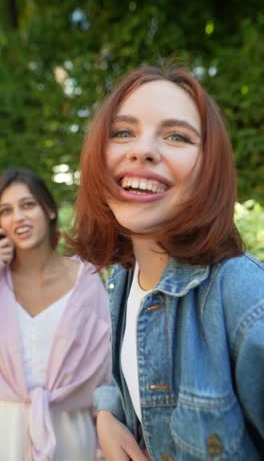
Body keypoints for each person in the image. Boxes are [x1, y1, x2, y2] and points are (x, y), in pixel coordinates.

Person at [69, 63, 264, 460]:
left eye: (177, 136)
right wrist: (108, 412)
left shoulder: (246, 299)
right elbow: (122, 371)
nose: (142, 150)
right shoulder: (122, 280)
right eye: (123, 132)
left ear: (209, 168)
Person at [0, 168, 111, 461]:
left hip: (73, 437)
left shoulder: (86, 281)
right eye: (5, 210)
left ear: (48, 209)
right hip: (5, 434)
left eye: (27, 205)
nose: (18, 217)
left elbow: (107, 373)